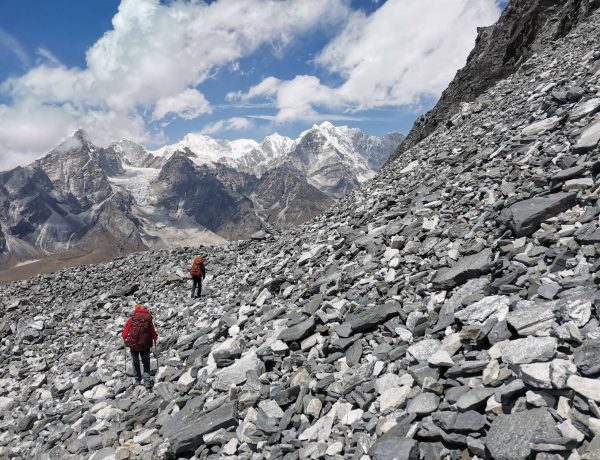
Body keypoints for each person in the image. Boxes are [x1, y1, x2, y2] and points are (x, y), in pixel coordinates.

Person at [122, 304, 158, 386]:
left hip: (133, 345)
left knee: (135, 362)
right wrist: (155, 338)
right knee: (146, 362)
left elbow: (126, 331)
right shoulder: (148, 319)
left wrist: (124, 337)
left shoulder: (133, 319)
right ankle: (147, 380)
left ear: (136, 310)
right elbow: (152, 331)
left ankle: (137, 379)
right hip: (145, 345)